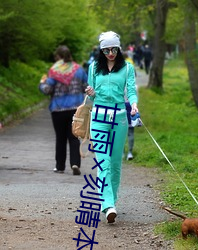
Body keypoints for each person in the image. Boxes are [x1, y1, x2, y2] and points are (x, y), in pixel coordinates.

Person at [85, 31, 138, 223]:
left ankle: (111, 201)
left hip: (120, 119)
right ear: (101, 50)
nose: (110, 53)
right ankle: (107, 204)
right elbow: (91, 97)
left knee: (115, 163)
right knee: (103, 162)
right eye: (106, 50)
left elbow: (131, 90)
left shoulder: (127, 68)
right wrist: (90, 92)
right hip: (98, 118)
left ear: (119, 48)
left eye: (114, 49)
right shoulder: (93, 68)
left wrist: (133, 104)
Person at [39, 45, 88, 175]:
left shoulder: (54, 71)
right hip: (75, 109)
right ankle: (75, 163)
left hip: (58, 109)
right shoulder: (79, 70)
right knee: (73, 137)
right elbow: (86, 87)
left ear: (58, 57)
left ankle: (60, 166)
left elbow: (47, 90)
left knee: (60, 138)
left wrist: (42, 83)